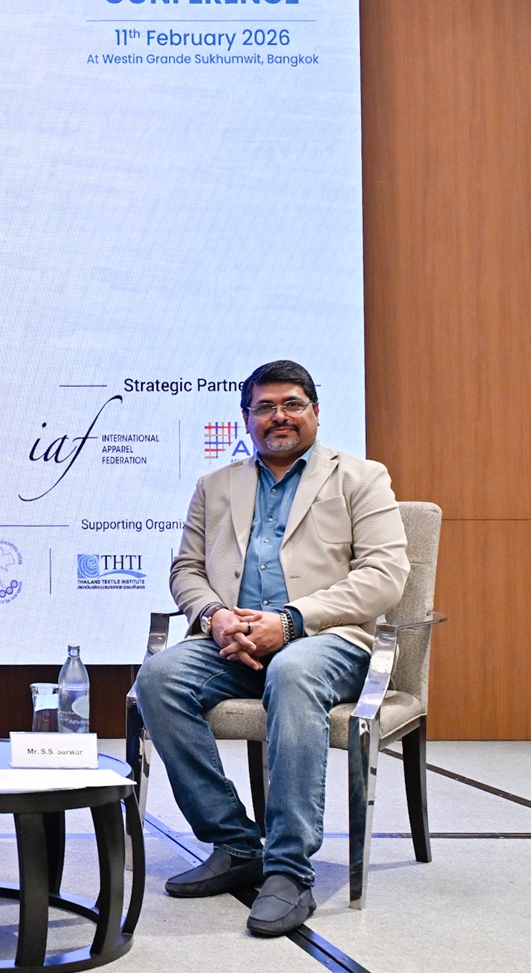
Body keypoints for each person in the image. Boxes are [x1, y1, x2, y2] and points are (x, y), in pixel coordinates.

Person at [136, 360, 409, 936]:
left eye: (291, 404)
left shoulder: (361, 478)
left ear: (315, 411)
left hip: (326, 641)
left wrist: (290, 622)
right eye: (264, 407)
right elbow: (186, 570)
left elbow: (385, 577)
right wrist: (214, 618)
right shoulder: (215, 485)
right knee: (159, 677)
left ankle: (288, 869)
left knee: (293, 671)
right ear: (246, 418)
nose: (278, 417)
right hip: (232, 641)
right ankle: (236, 844)